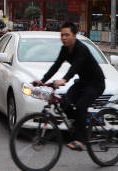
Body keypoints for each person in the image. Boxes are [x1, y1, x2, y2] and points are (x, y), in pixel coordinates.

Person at [33, 21, 105, 151]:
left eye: (67, 35)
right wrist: (42, 80)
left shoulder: (81, 49)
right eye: (62, 35)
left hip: (96, 83)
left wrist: (64, 79)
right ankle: (79, 125)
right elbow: (56, 65)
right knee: (64, 103)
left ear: (74, 36)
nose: (64, 38)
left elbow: (75, 67)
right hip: (82, 83)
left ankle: (81, 140)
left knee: (81, 106)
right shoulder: (64, 49)